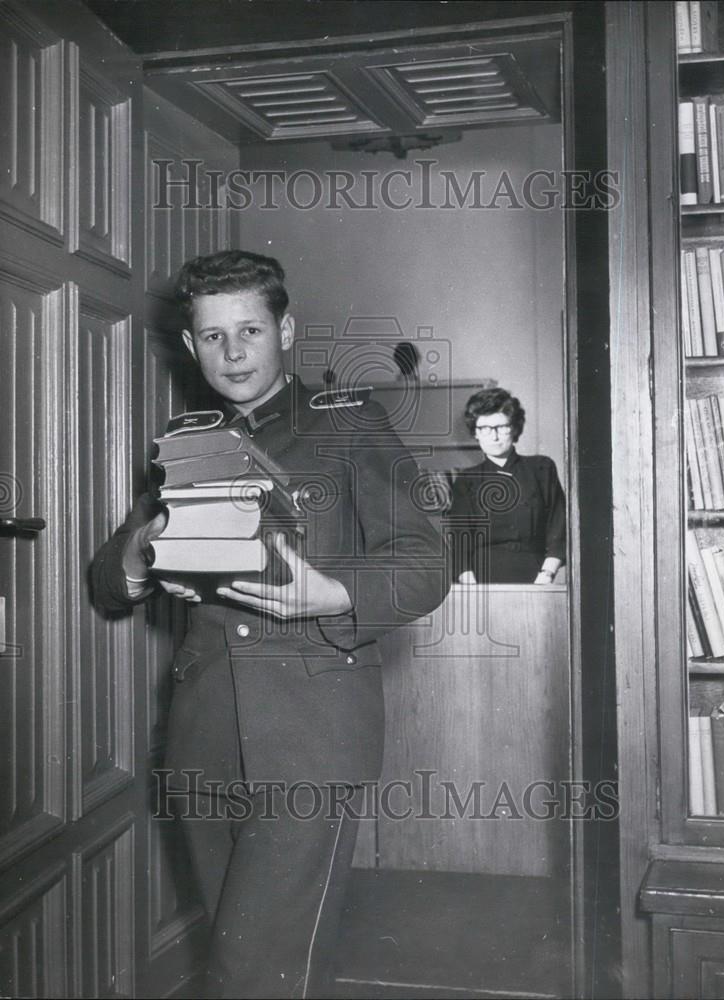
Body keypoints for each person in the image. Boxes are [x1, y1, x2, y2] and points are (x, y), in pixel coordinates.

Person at [91, 250, 448, 999]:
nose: (233, 353)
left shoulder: (349, 424)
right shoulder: (183, 446)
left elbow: (423, 563)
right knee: (245, 953)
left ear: (286, 330)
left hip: (312, 736)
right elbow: (109, 582)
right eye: (213, 337)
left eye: (250, 329)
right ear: (191, 346)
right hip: (203, 736)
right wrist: (142, 551)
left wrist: (332, 593)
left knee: (253, 974)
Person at [446, 387, 565, 584]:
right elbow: (460, 543)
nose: (493, 437)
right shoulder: (466, 480)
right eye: (484, 428)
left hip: (537, 578)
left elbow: (558, 528)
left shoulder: (542, 468)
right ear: (475, 432)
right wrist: (472, 588)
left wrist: (546, 575)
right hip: (482, 580)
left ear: (515, 428)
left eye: (501, 427)